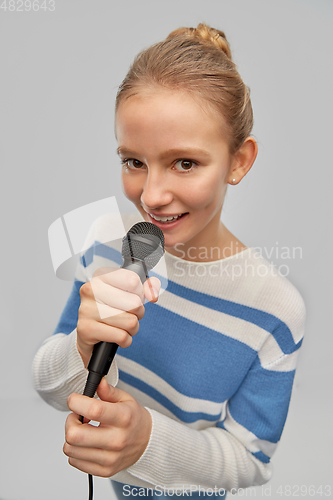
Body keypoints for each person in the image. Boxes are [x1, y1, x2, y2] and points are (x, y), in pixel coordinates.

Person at [32, 23, 306, 499]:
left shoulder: (276, 308)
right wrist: (79, 346)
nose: (153, 196)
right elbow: (52, 387)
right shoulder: (106, 242)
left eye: (185, 163)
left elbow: (250, 463)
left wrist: (146, 442)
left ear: (239, 161)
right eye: (134, 161)